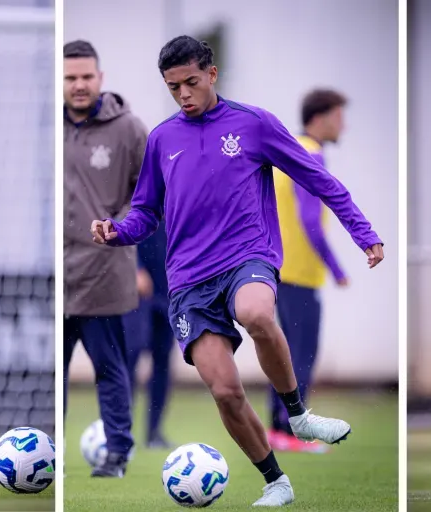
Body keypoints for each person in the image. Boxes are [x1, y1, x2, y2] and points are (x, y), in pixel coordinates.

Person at [91, 35, 385, 507]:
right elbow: (146, 211)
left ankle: (297, 414)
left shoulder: (253, 124)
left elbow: (318, 179)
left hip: (248, 256)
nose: (184, 94)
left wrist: (363, 232)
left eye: (190, 82)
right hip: (187, 279)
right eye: (173, 88)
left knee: (256, 312)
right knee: (225, 391)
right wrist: (117, 232)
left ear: (211, 74)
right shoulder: (162, 139)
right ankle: (276, 481)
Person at [62, 39, 146, 478]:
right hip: (58, 276)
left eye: (86, 76)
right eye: (70, 77)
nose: (78, 85)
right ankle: (48, 453)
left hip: (104, 272)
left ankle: (117, 456)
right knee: (53, 375)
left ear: (101, 78)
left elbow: (149, 197)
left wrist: (119, 226)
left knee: (109, 370)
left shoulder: (130, 129)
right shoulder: (50, 125)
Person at [267, 89, 350, 454]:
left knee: (283, 354)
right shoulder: (310, 155)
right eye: (339, 116)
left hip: (279, 270)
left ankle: (276, 429)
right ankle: (289, 431)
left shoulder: (288, 149)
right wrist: (335, 267)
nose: (343, 124)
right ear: (320, 117)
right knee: (300, 356)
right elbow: (309, 219)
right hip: (298, 274)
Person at [123, 222, 174, 450]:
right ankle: (120, 430)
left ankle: (154, 432)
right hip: (138, 292)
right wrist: (134, 267)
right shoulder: (137, 192)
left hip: (169, 289)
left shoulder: (179, 195)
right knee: (131, 355)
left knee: (162, 360)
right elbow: (120, 225)